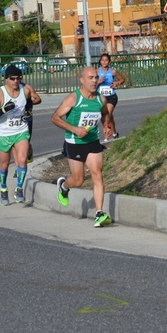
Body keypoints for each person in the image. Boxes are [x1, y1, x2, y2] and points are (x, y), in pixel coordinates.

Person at [51, 67, 112, 227]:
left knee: (97, 174)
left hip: (92, 141)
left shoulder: (101, 99)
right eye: (90, 77)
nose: (94, 81)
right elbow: (55, 118)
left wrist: (106, 124)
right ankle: (63, 186)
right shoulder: (73, 98)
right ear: (82, 80)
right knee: (78, 180)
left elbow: (106, 113)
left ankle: (99, 213)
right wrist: (75, 129)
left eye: (96, 77)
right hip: (74, 143)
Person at [0, 65, 42, 206]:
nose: (15, 81)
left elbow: (37, 99)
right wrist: (3, 109)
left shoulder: (26, 89)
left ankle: (19, 189)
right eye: (12, 78)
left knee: (22, 160)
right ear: (6, 79)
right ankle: (3, 189)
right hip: (4, 133)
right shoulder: (0, 94)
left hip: (21, 131)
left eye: (18, 78)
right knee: (4, 164)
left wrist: (29, 105)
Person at [96, 52, 125, 142]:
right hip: (100, 97)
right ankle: (115, 133)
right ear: (100, 62)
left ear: (109, 62)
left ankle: (106, 137)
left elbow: (122, 79)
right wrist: (98, 82)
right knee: (108, 117)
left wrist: (117, 83)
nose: (104, 62)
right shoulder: (96, 71)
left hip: (111, 97)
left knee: (107, 114)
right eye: (102, 60)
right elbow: (91, 84)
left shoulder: (113, 71)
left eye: (106, 60)